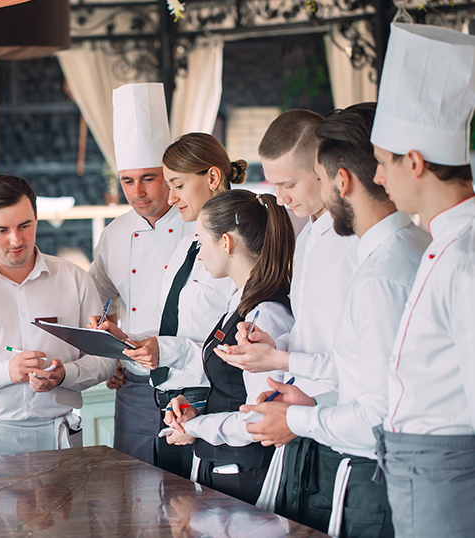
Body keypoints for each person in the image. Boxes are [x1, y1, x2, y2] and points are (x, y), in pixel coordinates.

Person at [238, 103, 429, 537]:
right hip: (324, 418)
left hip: (356, 442)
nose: (281, 197)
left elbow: (376, 400)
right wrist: (279, 356)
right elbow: (345, 351)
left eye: (293, 183)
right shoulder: (319, 237)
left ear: (335, 177)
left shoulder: (372, 262)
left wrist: (297, 409)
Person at [213, 109, 358, 517]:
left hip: (339, 420)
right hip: (303, 416)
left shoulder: (354, 242)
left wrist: (283, 362)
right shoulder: (310, 233)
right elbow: (315, 329)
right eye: (273, 183)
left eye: (288, 184)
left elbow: (357, 353)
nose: (279, 198)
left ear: (324, 169)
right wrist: (275, 344)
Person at [369, 22, 475, 538]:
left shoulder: (466, 257)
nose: (379, 178)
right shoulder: (443, 241)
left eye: (383, 163)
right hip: (421, 468)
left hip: (450, 472)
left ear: (415, 162)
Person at [0, 174, 115, 457]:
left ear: (37, 219)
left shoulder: (74, 279)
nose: (16, 240)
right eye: (1, 230)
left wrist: (67, 374)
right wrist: (5, 372)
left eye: (24, 226)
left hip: (59, 436)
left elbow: (105, 358)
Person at [95, 133, 240, 479]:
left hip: (213, 405)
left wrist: (165, 350)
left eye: (175, 184)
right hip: (175, 404)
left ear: (213, 178)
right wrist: (131, 341)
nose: (171, 197)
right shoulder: (189, 245)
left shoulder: (239, 243)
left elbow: (235, 344)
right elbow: (179, 324)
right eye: (127, 181)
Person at [162, 189, 295, 504]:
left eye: (201, 241)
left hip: (247, 474)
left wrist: (197, 426)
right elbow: (232, 390)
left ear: (226, 242)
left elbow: (261, 417)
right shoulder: (239, 303)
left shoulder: (267, 317)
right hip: (223, 465)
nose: (199, 253)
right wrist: (196, 412)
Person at [89, 83, 191, 464]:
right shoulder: (114, 234)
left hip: (190, 381)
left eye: (149, 178)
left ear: (169, 174)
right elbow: (99, 299)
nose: (138, 192)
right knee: (134, 490)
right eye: (128, 181)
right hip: (133, 386)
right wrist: (109, 356)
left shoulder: (197, 226)